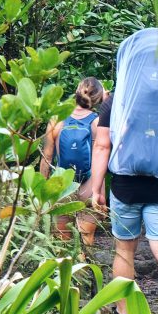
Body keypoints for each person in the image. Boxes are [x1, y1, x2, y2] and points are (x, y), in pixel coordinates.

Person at [89, 27, 158, 314]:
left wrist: (96, 188)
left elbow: (102, 145)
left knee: (125, 250)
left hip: (125, 185)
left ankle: (124, 313)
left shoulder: (114, 103)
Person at [40, 76, 104, 245]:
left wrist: (41, 192)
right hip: (89, 184)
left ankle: (65, 269)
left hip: (62, 183)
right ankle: (84, 267)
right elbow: (100, 157)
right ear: (97, 99)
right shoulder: (97, 122)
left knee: (62, 241)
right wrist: (100, 193)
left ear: (77, 91)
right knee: (86, 238)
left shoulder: (56, 119)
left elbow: (47, 157)